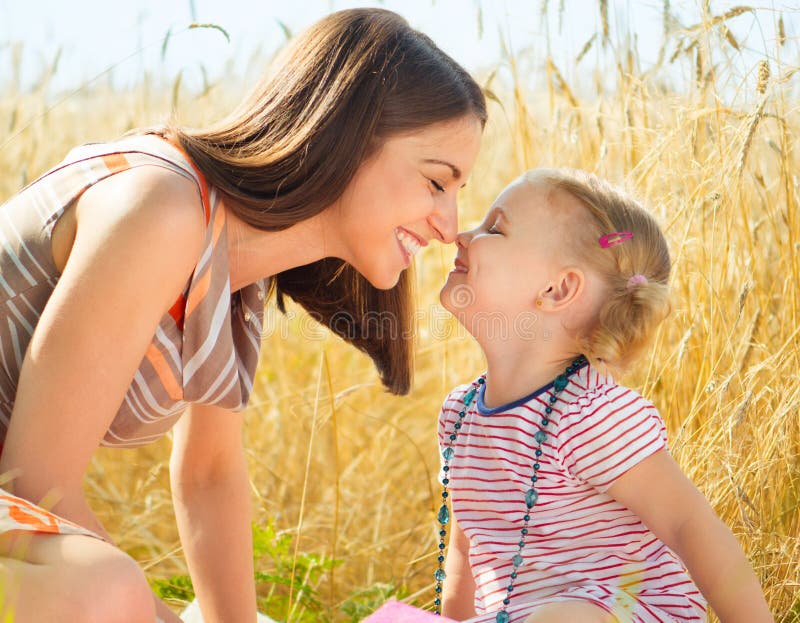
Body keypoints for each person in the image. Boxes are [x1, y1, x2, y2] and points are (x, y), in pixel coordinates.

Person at [0, 8, 485, 622]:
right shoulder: (163, 207)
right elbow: (34, 487)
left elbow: (208, 473)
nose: (449, 226)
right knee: (104, 590)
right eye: (438, 182)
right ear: (349, 138)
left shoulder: (232, 271)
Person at [435, 170, 772, 623]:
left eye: (494, 229)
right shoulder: (460, 415)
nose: (462, 234)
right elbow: (466, 553)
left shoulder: (590, 414)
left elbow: (688, 524)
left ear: (557, 290)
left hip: (622, 608)